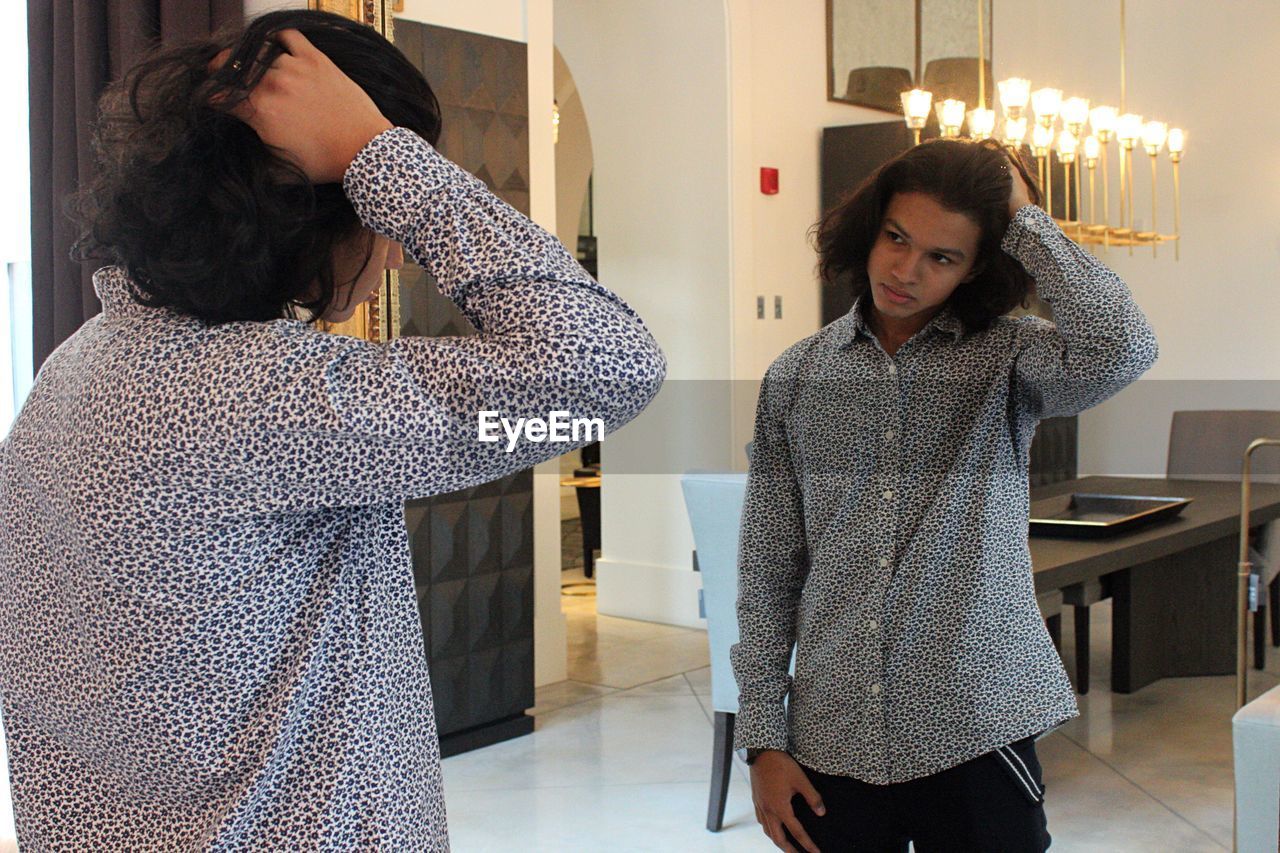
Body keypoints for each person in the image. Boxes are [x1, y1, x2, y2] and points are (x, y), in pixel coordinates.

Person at [0, 10, 664, 850]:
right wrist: (378, 155)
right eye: (373, 207)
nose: (393, 253)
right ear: (309, 206)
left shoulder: (78, 366)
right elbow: (606, 366)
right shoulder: (254, 396)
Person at [732, 138, 1158, 852]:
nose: (905, 270)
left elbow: (1121, 345)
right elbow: (769, 569)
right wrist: (762, 740)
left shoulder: (1010, 357)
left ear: (974, 268)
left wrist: (1023, 216)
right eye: (897, 238)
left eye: (942, 256)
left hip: (975, 727)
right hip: (832, 738)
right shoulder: (796, 377)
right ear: (871, 227)